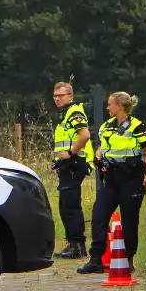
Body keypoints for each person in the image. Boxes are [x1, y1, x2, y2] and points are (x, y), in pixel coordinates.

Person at [77, 92, 146, 274]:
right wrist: (98, 155)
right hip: (111, 179)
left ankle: (128, 259)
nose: (107, 108)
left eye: (110, 104)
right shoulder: (106, 126)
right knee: (99, 215)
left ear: (119, 106)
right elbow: (103, 147)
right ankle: (95, 259)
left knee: (129, 219)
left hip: (132, 178)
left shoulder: (137, 126)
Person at [51, 81, 92, 259]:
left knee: (70, 205)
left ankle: (77, 245)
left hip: (75, 164)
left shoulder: (74, 112)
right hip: (68, 165)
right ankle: (73, 244)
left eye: (61, 95)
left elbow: (85, 134)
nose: (57, 99)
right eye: (55, 96)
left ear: (70, 96)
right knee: (65, 205)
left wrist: (70, 152)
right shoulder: (65, 114)